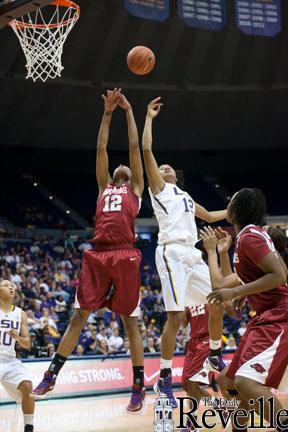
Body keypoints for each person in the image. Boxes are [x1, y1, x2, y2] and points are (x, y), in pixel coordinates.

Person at [33, 88, 146, 413]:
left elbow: (135, 146)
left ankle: (137, 386)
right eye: (118, 166)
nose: (122, 166)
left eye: (125, 166)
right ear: (113, 173)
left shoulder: (135, 188)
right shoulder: (103, 186)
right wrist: (107, 112)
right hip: (97, 255)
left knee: (130, 323)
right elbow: (100, 147)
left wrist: (128, 111)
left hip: (125, 253)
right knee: (79, 316)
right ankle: (52, 374)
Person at [142, 97, 227, 407]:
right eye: (161, 168)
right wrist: (149, 118)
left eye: (168, 168)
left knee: (218, 299)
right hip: (171, 253)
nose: (164, 168)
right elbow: (147, 151)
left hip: (192, 255)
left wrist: (236, 209)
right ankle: (163, 378)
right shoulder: (159, 190)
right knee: (176, 317)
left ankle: (216, 353)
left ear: (175, 174)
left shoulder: (187, 197)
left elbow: (210, 216)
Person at [201, 188, 288, 430]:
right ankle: (239, 427)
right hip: (264, 317)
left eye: (232, 201)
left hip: (279, 316)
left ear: (238, 209)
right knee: (226, 381)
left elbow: (280, 275)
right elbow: (222, 283)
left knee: (246, 383)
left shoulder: (250, 237)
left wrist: (239, 291)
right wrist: (218, 253)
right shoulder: (247, 238)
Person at [0, 280, 34, 432]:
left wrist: (18, 338)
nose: (11, 287)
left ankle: (29, 427)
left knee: (27, 386)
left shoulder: (21, 314)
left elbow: (27, 344)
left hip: (10, 360)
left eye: (12, 285)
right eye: (6, 285)